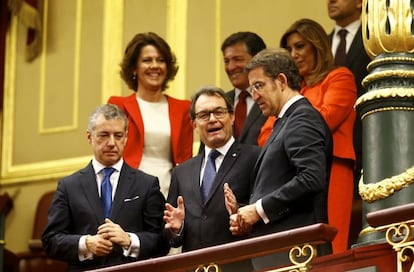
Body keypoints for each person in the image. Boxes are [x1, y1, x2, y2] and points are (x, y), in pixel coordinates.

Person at [226, 48, 333, 270]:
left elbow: (311, 178)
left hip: (297, 254)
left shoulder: (302, 117)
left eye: (258, 86)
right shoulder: (286, 121)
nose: (254, 96)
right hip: (286, 254)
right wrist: (246, 211)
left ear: (281, 81)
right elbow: (282, 184)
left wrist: (258, 209)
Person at [42, 104, 168, 271]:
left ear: (126, 138)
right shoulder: (68, 186)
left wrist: (129, 240)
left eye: (118, 136)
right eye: (103, 135)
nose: (111, 143)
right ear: (89, 137)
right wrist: (85, 244)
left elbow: (162, 241)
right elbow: (50, 241)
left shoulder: (146, 184)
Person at [278, 18, 357, 254]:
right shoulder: (293, 90)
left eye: (300, 46)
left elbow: (322, 121)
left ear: (318, 46)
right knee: (301, 248)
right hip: (292, 173)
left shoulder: (340, 77)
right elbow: (265, 135)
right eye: (289, 49)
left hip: (331, 168)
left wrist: (284, 132)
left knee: (333, 243)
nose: (294, 54)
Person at [163, 86, 260, 272]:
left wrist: (240, 213)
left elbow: (267, 213)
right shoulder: (182, 172)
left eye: (219, 112)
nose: (213, 119)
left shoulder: (255, 157)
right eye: (204, 115)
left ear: (232, 117)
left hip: (240, 266)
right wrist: (177, 228)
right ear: (194, 125)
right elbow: (169, 234)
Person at [108, 32, 193, 198]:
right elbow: (110, 152)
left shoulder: (183, 108)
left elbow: (185, 161)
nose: (155, 66)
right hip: (128, 191)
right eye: (147, 60)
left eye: (160, 60)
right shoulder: (118, 105)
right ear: (134, 68)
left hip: (169, 194)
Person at [328, 0, 371, 196]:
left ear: (360, 3)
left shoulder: (374, 40)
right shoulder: (320, 45)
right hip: (326, 150)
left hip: (367, 140)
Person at [221, 31, 268, 145]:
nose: (231, 67)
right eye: (226, 61)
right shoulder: (220, 102)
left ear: (258, 60)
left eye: (238, 59)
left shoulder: (272, 99)